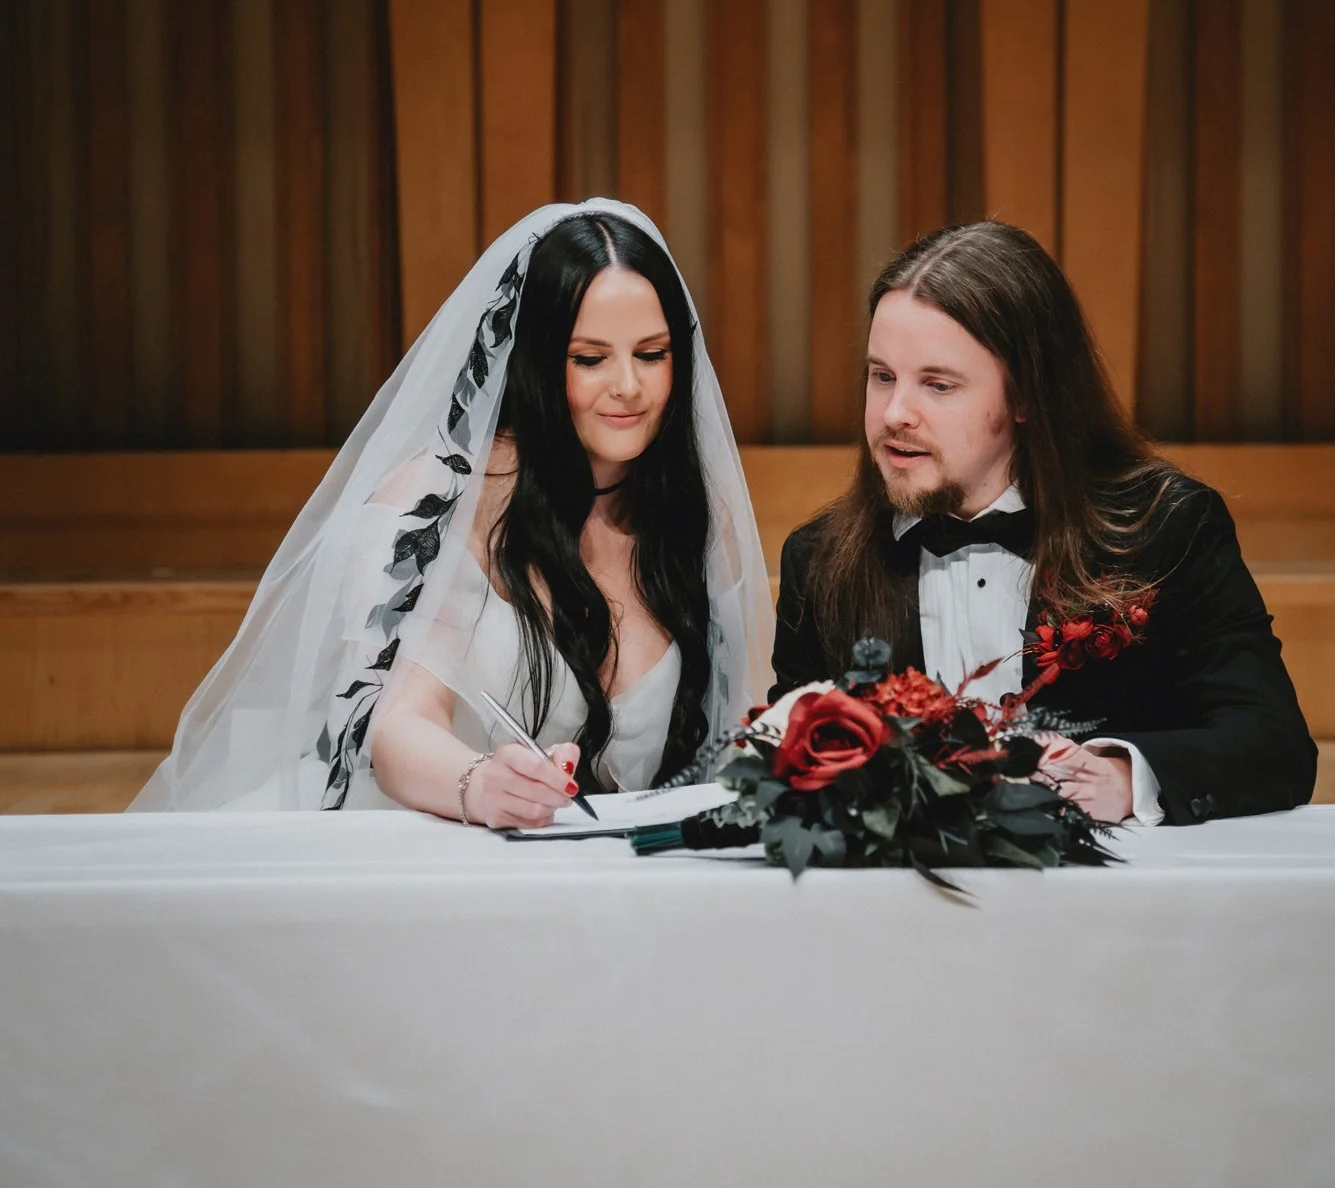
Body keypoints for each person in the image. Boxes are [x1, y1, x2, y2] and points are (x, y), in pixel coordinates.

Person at [134, 202, 772, 822]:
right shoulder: (437, 503)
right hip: (437, 837)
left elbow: (732, 736)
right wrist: (480, 784)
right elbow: (399, 723)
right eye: (589, 359)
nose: (628, 386)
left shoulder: (690, 514)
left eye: (652, 354)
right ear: (536, 362)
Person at [772, 221, 1316, 827]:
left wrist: (1124, 775)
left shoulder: (1166, 528)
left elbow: (1274, 744)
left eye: (938, 384)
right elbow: (794, 764)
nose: (896, 412)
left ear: (1027, 396)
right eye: (882, 376)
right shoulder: (818, 561)